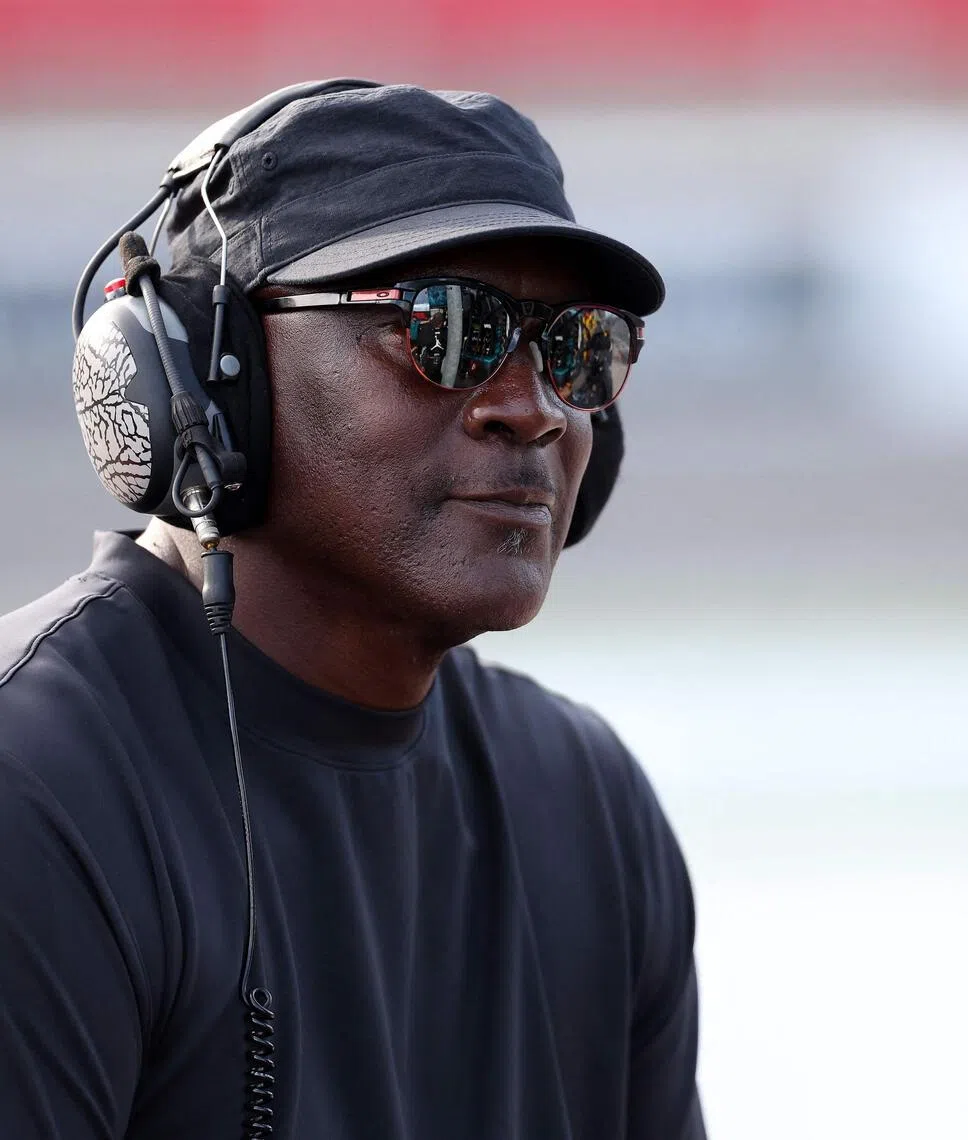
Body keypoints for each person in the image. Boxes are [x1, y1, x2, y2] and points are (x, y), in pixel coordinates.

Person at [0, 82, 705, 1139]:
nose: (530, 406)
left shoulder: (587, 802)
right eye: (446, 327)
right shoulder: (37, 787)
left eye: (573, 346)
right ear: (204, 382)